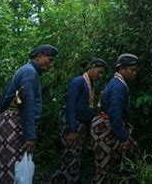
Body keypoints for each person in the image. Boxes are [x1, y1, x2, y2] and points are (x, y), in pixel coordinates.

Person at [0, 44, 58, 183]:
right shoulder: (29, 73)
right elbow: (27, 106)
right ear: (39, 56)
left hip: (9, 121)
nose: (51, 64)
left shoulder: (27, 71)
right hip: (15, 123)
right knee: (11, 167)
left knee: (4, 164)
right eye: (50, 59)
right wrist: (30, 136)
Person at [52, 58, 106, 184]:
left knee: (75, 157)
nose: (100, 76)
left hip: (80, 126)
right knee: (70, 157)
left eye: (102, 73)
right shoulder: (79, 81)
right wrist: (72, 129)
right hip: (73, 125)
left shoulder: (90, 84)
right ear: (91, 68)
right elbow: (70, 104)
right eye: (99, 72)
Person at [90, 53, 138, 183]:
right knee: (105, 168)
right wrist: (123, 138)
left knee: (111, 165)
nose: (134, 73)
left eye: (135, 70)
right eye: (131, 70)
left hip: (106, 126)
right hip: (107, 127)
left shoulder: (116, 83)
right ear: (121, 69)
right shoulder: (118, 87)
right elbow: (115, 115)